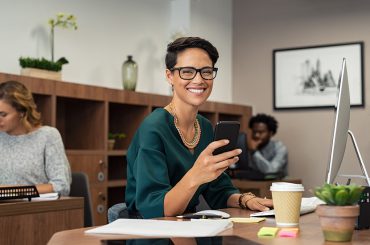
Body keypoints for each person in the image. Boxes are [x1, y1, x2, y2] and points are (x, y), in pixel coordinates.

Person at [125, 37, 272, 219]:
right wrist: (196, 175)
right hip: (153, 234)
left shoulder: (204, 127)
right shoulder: (153, 128)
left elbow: (218, 190)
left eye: (206, 72)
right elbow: (155, 209)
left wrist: (246, 200)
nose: (199, 79)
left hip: (189, 228)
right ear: (169, 76)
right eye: (187, 71)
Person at [0, 80, 71, 196]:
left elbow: (61, 186)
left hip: (36, 211)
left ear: (22, 112)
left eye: (3, 115)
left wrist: (13, 191)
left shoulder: (48, 136)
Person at [247, 113, 288, 179]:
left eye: (261, 132)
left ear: (271, 133)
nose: (256, 135)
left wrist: (254, 152)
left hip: (278, 185)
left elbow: (271, 170)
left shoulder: (280, 147)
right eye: (254, 132)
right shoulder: (249, 146)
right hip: (254, 184)